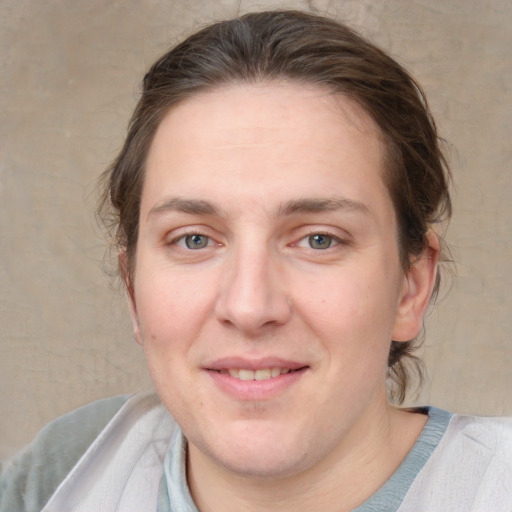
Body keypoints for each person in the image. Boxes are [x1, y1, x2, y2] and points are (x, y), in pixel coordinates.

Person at [1, 9, 511, 512]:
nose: (249, 307)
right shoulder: (65, 473)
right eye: (194, 240)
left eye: (318, 240)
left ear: (411, 285)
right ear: (133, 287)